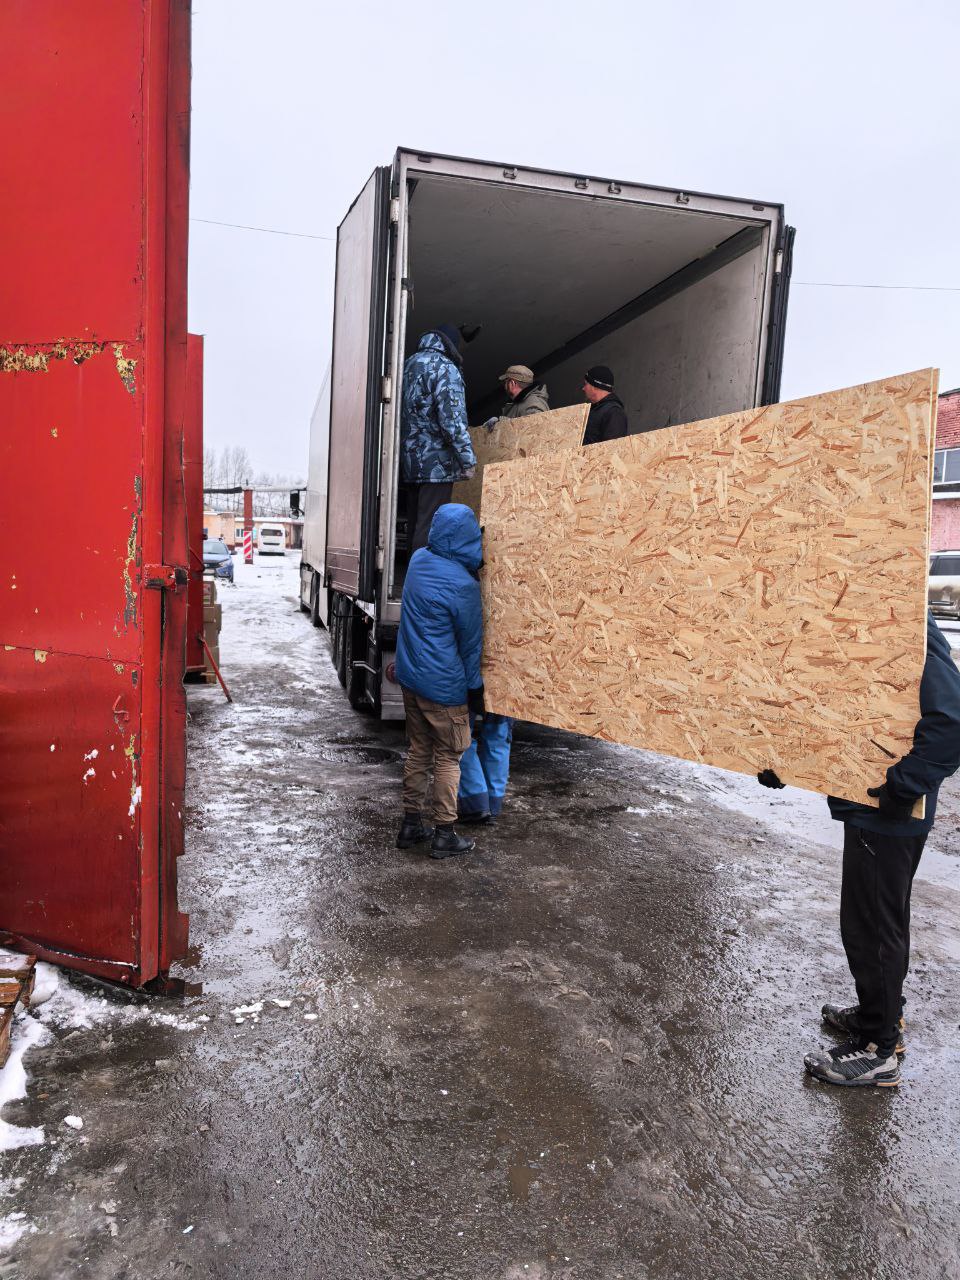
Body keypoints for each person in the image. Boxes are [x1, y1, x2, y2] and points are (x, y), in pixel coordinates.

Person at [759, 614, 960, 1087]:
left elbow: (952, 725)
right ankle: (885, 1016)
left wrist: (903, 786)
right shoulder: (865, 621)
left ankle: (878, 1049)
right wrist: (784, 766)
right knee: (873, 922)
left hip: (890, 815)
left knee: (872, 929)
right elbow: (846, 715)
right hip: (872, 808)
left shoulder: (904, 621)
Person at [395, 503, 485, 859]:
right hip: (444, 685)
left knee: (419, 750)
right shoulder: (463, 586)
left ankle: (411, 824)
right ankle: (445, 832)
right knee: (449, 756)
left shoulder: (418, 560)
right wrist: (475, 688)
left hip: (410, 677)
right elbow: (470, 644)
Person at [399, 324, 477, 553]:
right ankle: (423, 582)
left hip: (411, 461)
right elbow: (452, 420)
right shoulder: (445, 368)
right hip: (437, 464)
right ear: (451, 345)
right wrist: (467, 460)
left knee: (416, 523)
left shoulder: (408, 365)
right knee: (431, 526)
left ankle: (412, 578)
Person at [482, 364, 550, 430]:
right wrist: (500, 423)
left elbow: (537, 429)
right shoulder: (518, 403)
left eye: (505, 382)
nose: (504, 386)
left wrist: (501, 422)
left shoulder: (533, 402)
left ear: (512, 383)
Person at [581, 365, 629, 445]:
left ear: (595, 386)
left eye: (586, 384)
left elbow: (612, 450)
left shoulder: (614, 412)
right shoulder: (594, 410)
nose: (583, 388)